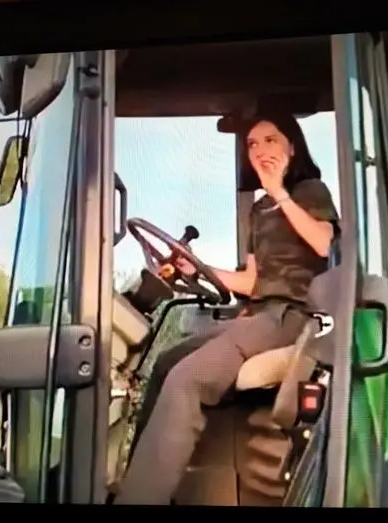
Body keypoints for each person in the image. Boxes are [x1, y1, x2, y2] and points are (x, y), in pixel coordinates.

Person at [114, 110, 340, 505]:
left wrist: (280, 192)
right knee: (167, 362)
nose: (259, 150)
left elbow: (325, 245)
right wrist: (197, 268)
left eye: (270, 140)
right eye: (252, 144)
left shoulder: (310, 192)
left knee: (189, 378)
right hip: (259, 316)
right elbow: (251, 281)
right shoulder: (259, 210)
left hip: (295, 316)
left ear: (291, 146)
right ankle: (142, 482)